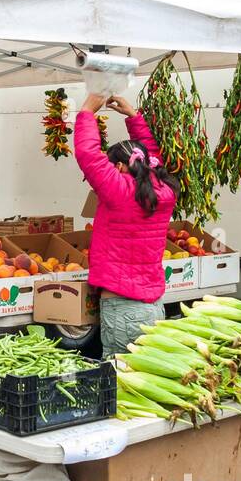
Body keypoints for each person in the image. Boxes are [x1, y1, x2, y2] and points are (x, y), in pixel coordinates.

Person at [74, 93, 179, 357]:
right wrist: (134, 118)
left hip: (122, 307)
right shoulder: (163, 192)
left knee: (120, 382)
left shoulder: (119, 191)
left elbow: (88, 154)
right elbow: (150, 157)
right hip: (154, 306)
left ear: (120, 166)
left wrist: (87, 111)